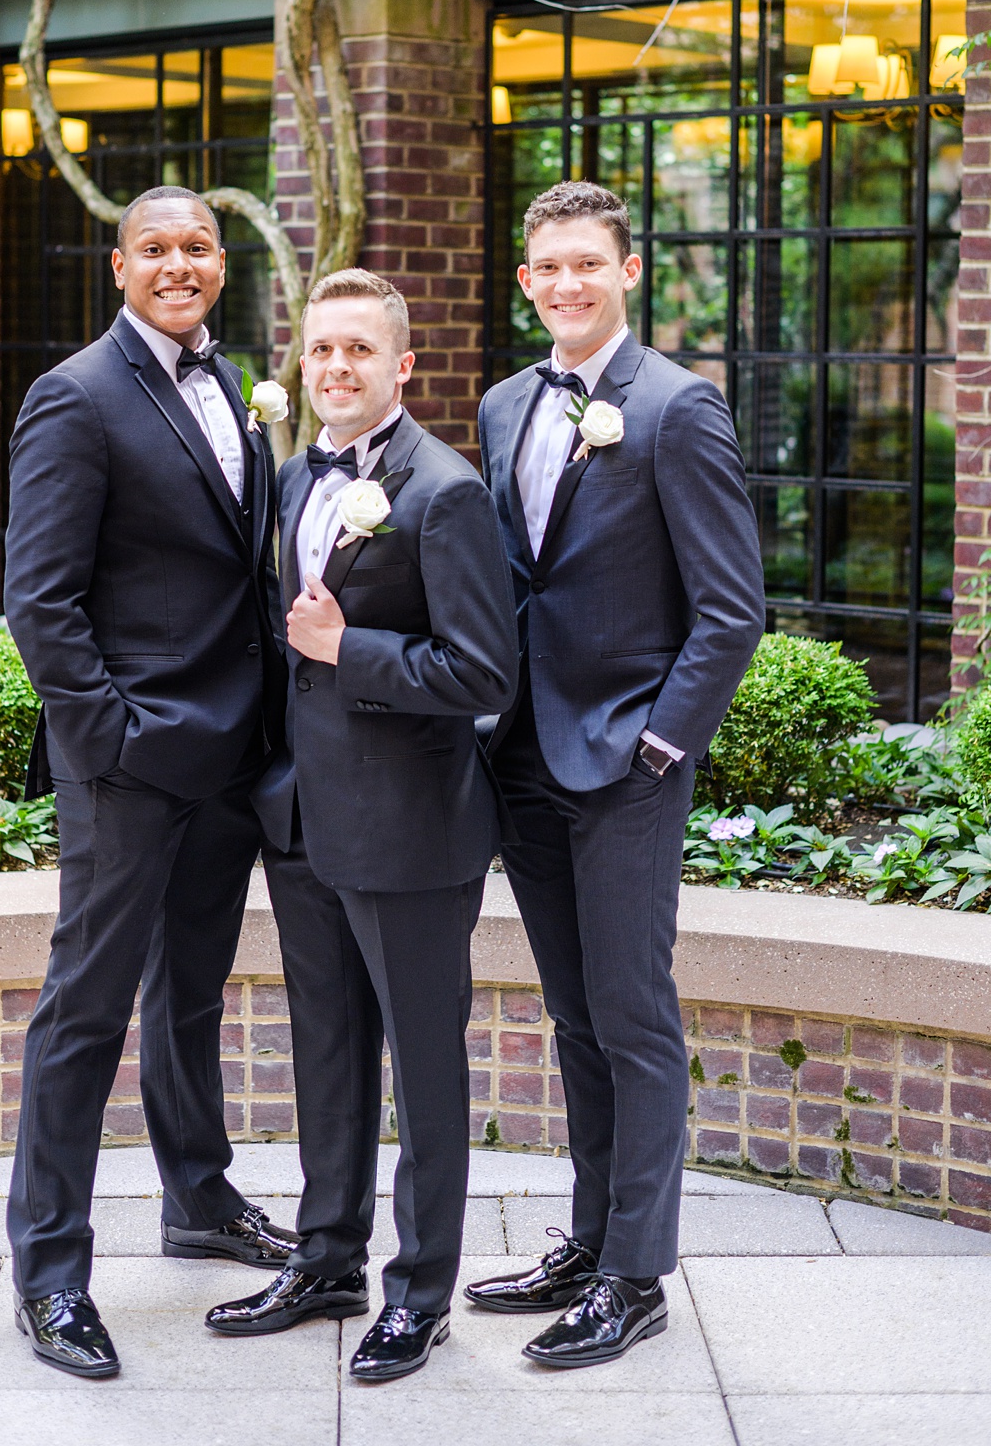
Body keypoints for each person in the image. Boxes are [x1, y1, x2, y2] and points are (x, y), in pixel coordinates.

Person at [0, 184, 298, 1382]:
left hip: (229, 751)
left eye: (197, 249)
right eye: (155, 249)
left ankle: (200, 1200)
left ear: (219, 268)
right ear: (117, 265)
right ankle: (51, 1271)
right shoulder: (72, 396)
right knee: (86, 1007)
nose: (178, 265)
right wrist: (111, 740)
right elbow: (41, 597)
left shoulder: (232, 388)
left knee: (192, 994)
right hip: (128, 763)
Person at [469, 180, 763, 1368]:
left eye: (592, 262)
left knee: (635, 1017)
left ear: (627, 271)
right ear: (527, 281)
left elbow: (732, 609)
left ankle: (637, 1273)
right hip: (524, 755)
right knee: (573, 1013)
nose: (571, 283)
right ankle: (588, 1240)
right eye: (550, 267)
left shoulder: (679, 409)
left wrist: (662, 740)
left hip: (628, 760)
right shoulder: (501, 407)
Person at [209, 268, 516, 1382]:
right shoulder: (293, 477)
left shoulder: (445, 492)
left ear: (403, 366)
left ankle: (420, 1291)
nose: (336, 368)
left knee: (426, 1065)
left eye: (359, 351)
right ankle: (328, 1256)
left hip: (413, 826)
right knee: (326, 1050)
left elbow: (484, 669)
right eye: (320, 349)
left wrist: (356, 651)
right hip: (302, 819)